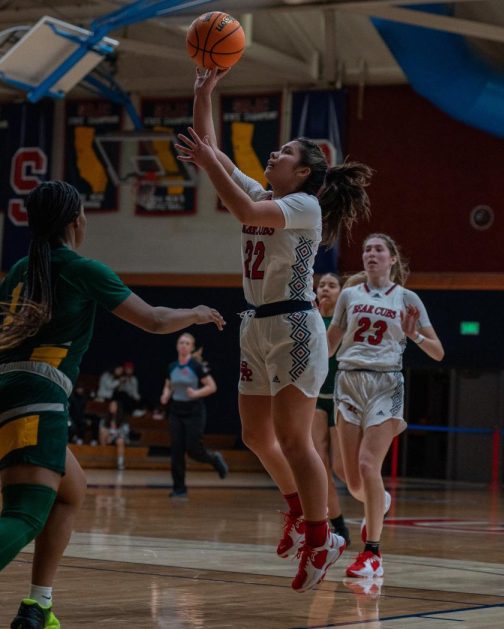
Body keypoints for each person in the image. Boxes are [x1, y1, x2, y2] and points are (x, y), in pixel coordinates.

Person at [0, 180, 224, 629]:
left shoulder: (21, 268)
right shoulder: (81, 268)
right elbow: (153, 320)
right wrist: (194, 313)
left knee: (70, 491)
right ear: (77, 220)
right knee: (23, 513)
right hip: (34, 398)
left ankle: (38, 605)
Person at [176, 66, 373, 592]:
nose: (273, 155)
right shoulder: (270, 191)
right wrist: (204, 92)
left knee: (292, 437)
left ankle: (322, 535)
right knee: (255, 435)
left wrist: (208, 163)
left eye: (285, 152)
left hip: (294, 324)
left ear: (305, 171)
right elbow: (213, 152)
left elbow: (238, 204)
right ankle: (297, 511)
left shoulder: (303, 206)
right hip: (256, 324)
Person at [327, 234, 444, 579]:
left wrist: (415, 336)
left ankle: (373, 553)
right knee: (354, 482)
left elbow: (438, 351)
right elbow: (331, 343)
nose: (371, 254)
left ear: (393, 259)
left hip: (386, 382)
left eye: (378, 249)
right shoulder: (348, 295)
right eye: (366, 249)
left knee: (368, 464)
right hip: (348, 380)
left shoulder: (407, 299)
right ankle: (381, 502)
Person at [159, 333, 227, 499]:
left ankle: (215, 459)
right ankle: (179, 489)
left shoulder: (196, 366)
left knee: (194, 450)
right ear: (177, 346)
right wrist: (165, 394)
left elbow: (212, 387)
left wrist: (196, 392)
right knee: (176, 451)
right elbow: (168, 385)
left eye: (187, 343)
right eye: (181, 342)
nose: (183, 345)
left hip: (194, 413)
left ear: (191, 347)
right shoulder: (172, 366)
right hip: (176, 412)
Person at [311, 273, 349, 542]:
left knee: (339, 466)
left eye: (331, 285)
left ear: (341, 292)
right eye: (322, 285)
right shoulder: (310, 318)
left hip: (342, 396)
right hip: (314, 395)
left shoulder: (345, 322)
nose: (325, 289)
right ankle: (338, 525)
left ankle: (375, 496)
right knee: (319, 462)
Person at [98, 399, 130, 471]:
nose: (112, 407)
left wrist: (112, 437)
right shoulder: (105, 418)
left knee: (120, 441)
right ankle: (103, 456)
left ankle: (120, 463)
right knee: (103, 432)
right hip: (107, 438)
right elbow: (101, 428)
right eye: (111, 406)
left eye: (114, 406)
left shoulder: (123, 418)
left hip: (119, 438)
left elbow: (125, 432)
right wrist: (108, 434)